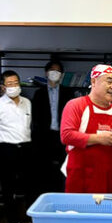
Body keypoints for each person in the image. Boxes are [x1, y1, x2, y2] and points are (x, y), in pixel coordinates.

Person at [61, 64, 112, 193]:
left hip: (108, 178)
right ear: (94, 82)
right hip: (80, 178)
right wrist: (99, 139)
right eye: (109, 81)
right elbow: (66, 135)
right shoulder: (76, 105)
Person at [0, 70, 36, 223]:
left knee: (30, 185)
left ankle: (30, 216)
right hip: (6, 149)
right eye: (9, 84)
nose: (13, 86)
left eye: (16, 83)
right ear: (3, 87)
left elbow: (28, 126)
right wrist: (3, 142)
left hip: (26, 149)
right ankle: (13, 220)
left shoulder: (27, 103)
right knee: (8, 187)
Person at [32, 60, 70, 193]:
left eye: (58, 71)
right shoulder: (38, 93)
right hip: (44, 136)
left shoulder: (68, 93)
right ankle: (45, 196)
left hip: (62, 136)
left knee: (62, 170)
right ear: (46, 73)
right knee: (44, 169)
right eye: (52, 70)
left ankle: (60, 195)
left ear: (61, 75)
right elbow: (35, 118)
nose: (55, 73)